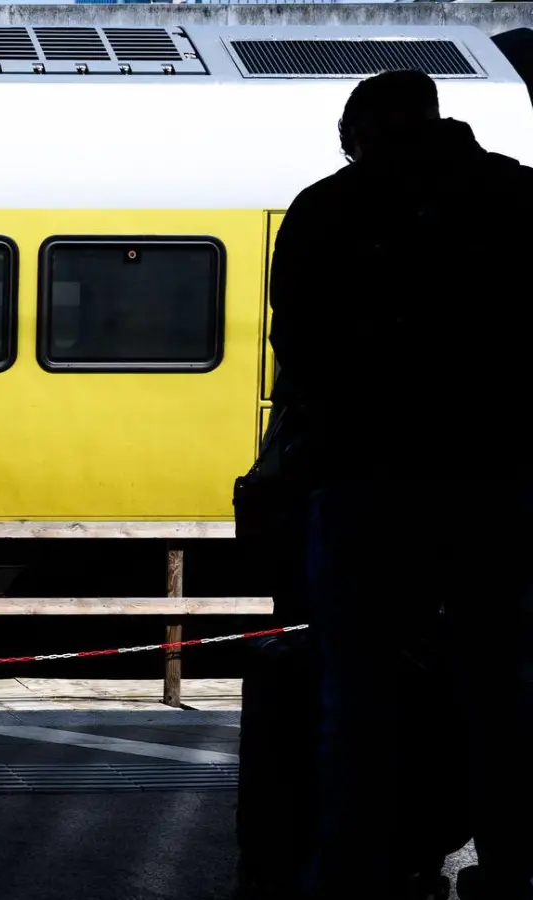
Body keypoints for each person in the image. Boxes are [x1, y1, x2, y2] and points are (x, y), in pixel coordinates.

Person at [269, 70, 533, 900]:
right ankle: (513, 865)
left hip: (366, 489)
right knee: (503, 690)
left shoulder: (325, 210)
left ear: (358, 133)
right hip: (498, 488)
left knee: (360, 698)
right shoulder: (518, 197)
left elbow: (301, 361)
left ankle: (355, 870)